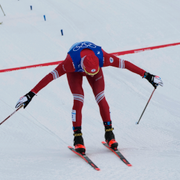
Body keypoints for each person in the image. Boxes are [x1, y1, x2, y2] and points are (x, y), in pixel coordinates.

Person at [15, 41, 163, 154]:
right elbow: (50, 76)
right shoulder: (70, 63)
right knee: (79, 100)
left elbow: (125, 64)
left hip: (90, 63)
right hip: (75, 72)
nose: (90, 75)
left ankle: (109, 133)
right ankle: (78, 138)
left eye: (93, 72)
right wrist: (30, 94)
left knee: (101, 97)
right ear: (84, 68)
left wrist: (148, 75)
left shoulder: (102, 58)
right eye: (89, 72)